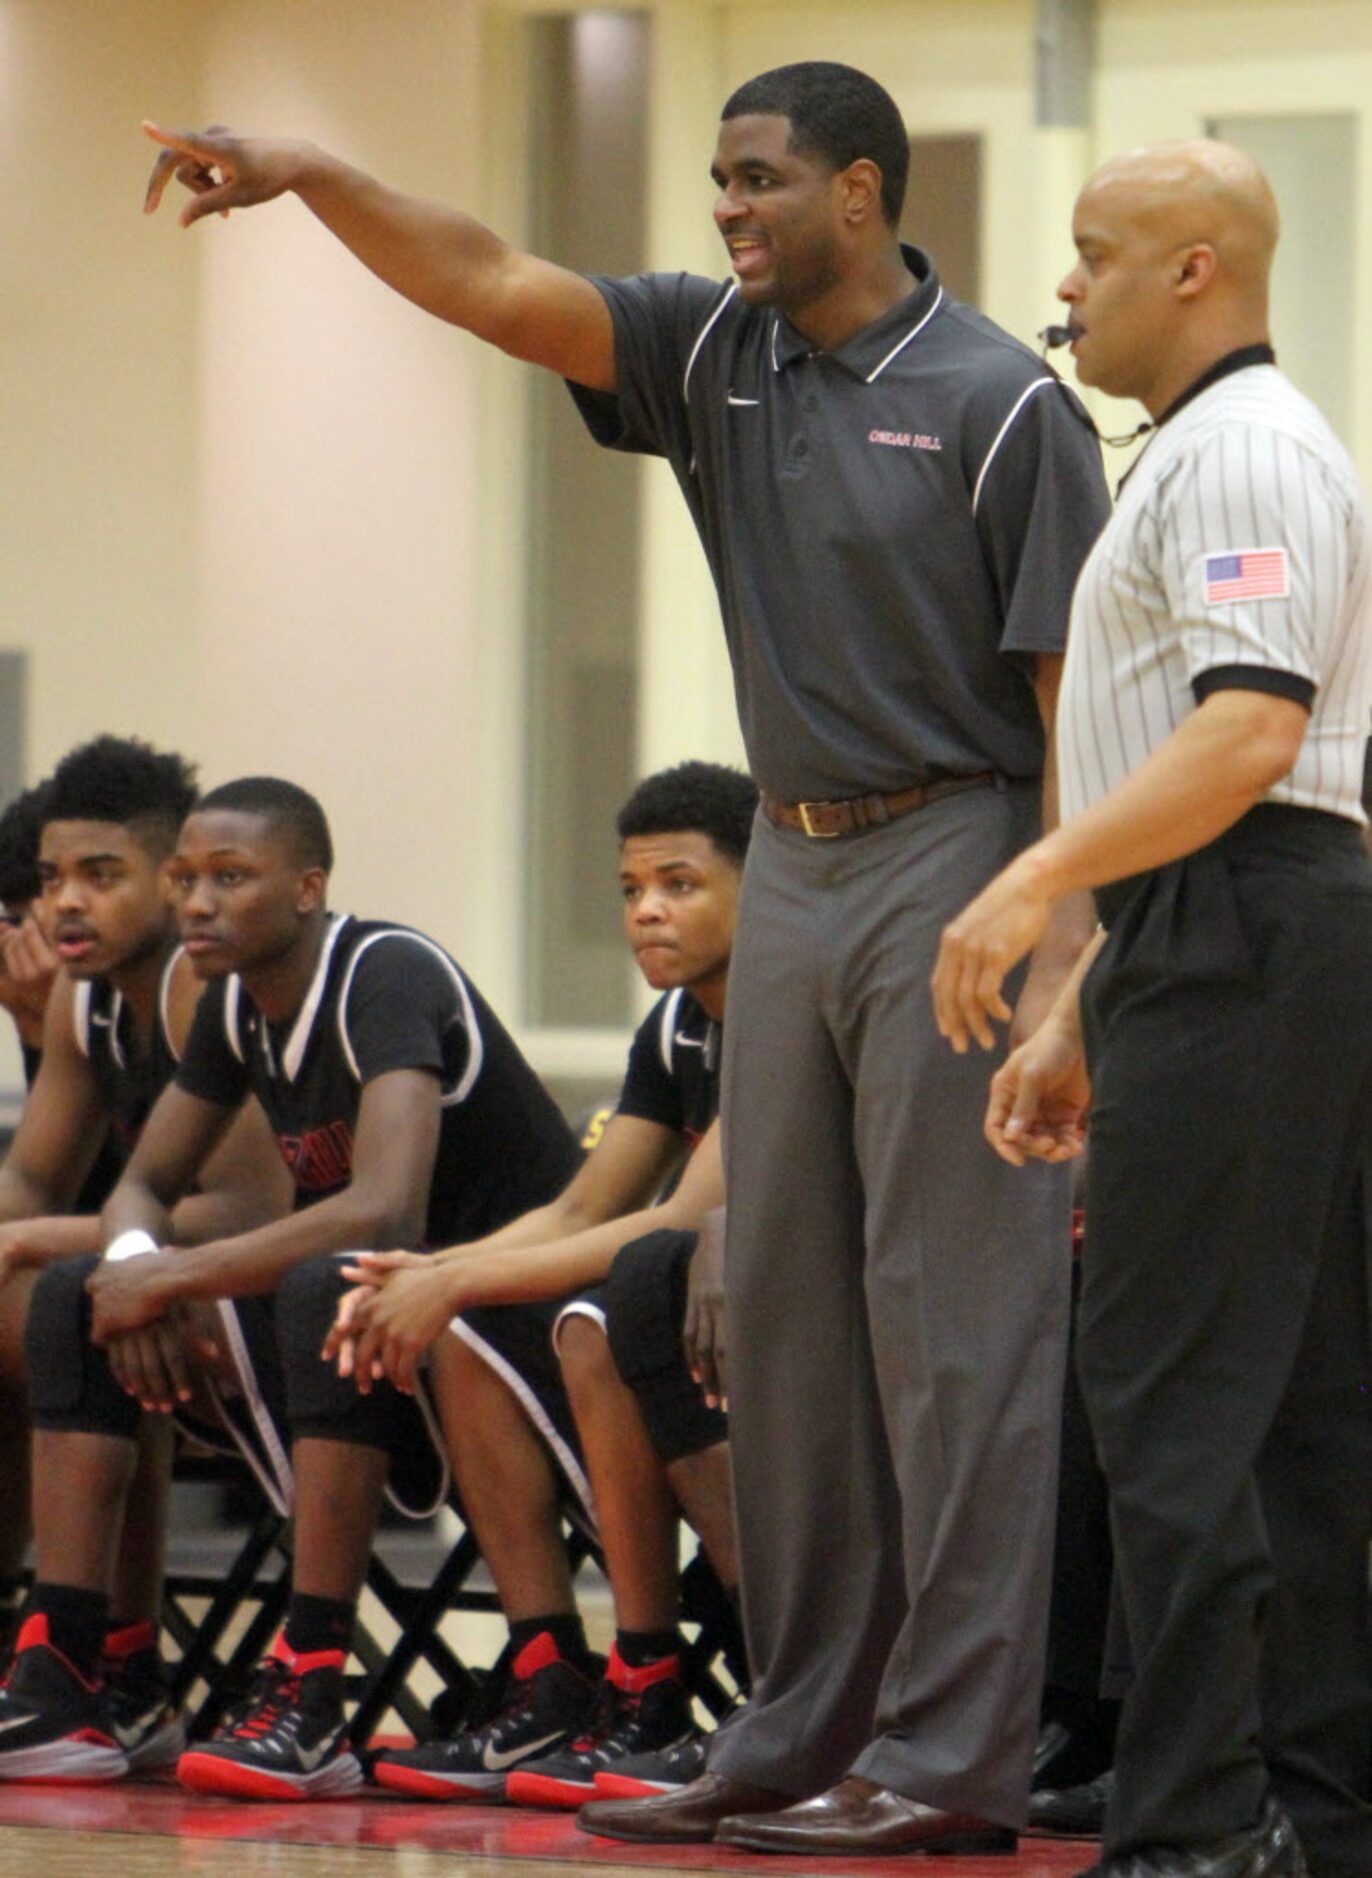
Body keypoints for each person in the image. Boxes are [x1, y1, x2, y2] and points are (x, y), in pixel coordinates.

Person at [143, 59, 1110, 1853]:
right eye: (719, 180)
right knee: (795, 1318)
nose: (727, 207)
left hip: (962, 844)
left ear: (859, 193)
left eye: (758, 179)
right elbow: (492, 280)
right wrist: (314, 173)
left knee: (951, 1331)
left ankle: (956, 1755)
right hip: (799, 857)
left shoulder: (996, 401)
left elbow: (1076, 704)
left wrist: (1054, 948)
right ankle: (797, 1723)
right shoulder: (709, 350)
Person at [930, 141, 1371, 1878]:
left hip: (1254, 919)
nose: (1064, 290)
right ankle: (1308, 1821)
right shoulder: (1209, 449)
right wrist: (1080, 1010)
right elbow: (1224, 792)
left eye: (1093, 256)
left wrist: (1030, 883)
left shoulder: (1248, 449)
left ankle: (1189, 1824)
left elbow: (1248, 739)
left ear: (1195, 270)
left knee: (1176, 1395)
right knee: (1293, 1403)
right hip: (1243, 919)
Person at [1, 775, 581, 1798]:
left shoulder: (387, 971)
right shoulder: (235, 1006)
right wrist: (136, 1273)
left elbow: (385, 1213)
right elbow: (143, 1184)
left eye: (231, 878)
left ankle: (313, 1682)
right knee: (74, 1293)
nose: (198, 904)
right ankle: (76, 1671)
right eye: (186, 879)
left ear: (307, 887)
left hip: (516, 1320)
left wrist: (173, 1273)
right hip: (384, 1325)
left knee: (319, 1281)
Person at [326, 760, 754, 1805]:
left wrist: (453, 1282)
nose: (647, 910)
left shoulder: (781, 1013)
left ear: (764, 886)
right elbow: (580, 1207)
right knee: (476, 1330)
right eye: (629, 890)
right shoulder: (674, 1026)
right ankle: (565, 1674)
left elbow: (670, 1216)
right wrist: (430, 1277)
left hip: (815, 1319)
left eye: (680, 885)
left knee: (594, 1321)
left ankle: (708, 1673)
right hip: (700, 1308)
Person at [0, 736, 290, 1755]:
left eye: (100, 876)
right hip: (181, 1297)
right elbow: (31, 1173)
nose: (63, 904)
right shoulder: (88, 999)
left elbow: (245, 1210)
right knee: (59, 1292)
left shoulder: (199, 990)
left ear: (171, 884)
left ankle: (79, 1656)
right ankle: (99, 1658)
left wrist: (41, 1241)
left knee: (53, 1293)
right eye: (49, 881)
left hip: (306, 1303)